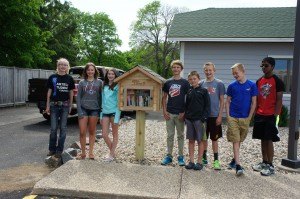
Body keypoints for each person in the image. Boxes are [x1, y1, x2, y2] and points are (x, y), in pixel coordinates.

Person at [252, 57, 285, 176]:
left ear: (272, 67)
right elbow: (257, 98)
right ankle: (264, 162)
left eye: (266, 66)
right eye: (262, 66)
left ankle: (270, 165)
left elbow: (279, 100)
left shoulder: (278, 81)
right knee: (262, 138)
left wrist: (275, 115)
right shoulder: (259, 81)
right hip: (260, 114)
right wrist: (255, 112)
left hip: (271, 115)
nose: (263, 68)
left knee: (269, 139)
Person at [226, 63, 258, 176]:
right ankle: (238, 166)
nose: (235, 75)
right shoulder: (231, 86)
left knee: (239, 140)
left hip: (245, 118)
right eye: (233, 73)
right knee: (235, 140)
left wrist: (249, 117)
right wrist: (229, 116)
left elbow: (254, 102)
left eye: (236, 73)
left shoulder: (252, 85)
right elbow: (228, 101)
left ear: (243, 71)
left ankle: (234, 159)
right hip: (233, 117)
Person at [161, 60, 190, 166]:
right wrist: (164, 111)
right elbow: (164, 98)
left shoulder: (185, 83)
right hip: (169, 112)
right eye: (174, 67)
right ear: (172, 69)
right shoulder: (167, 82)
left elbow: (188, 98)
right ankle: (169, 156)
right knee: (170, 135)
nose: (176, 69)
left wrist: (184, 112)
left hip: (180, 113)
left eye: (178, 67)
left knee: (180, 135)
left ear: (181, 69)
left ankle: (181, 157)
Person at [45, 58, 75, 158]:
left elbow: (71, 93)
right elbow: (49, 92)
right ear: (58, 66)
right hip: (54, 105)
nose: (62, 66)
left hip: (65, 106)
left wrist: (70, 105)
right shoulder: (52, 77)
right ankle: (52, 149)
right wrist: (47, 105)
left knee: (63, 128)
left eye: (65, 65)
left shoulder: (69, 78)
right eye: (61, 64)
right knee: (53, 129)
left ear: (68, 67)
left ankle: (59, 150)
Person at [200, 62, 225, 170]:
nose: (208, 72)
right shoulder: (201, 83)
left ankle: (216, 160)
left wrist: (220, 116)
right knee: (203, 138)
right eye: (206, 70)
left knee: (214, 139)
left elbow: (222, 101)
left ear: (214, 71)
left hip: (215, 116)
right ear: (204, 71)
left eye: (210, 70)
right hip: (204, 116)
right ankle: (204, 157)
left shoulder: (219, 84)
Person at [185, 71, 210, 170]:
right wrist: (186, 116)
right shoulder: (189, 90)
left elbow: (207, 106)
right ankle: (191, 161)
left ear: (198, 79)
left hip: (199, 120)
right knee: (191, 140)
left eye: (194, 78)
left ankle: (199, 162)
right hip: (189, 119)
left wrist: (203, 118)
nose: (192, 80)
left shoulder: (203, 91)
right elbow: (186, 104)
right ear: (189, 80)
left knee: (200, 140)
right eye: (190, 79)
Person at [76, 62, 102, 160]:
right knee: (82, 132)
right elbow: (78, 97)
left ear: (95, 71)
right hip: (83, 109)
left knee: (92, 131)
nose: (90, 71)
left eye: (92, 70)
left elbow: (101, 97)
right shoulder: (82, 83)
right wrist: (79, 111)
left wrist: (100, 110)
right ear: (86, 71)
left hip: (94, 110)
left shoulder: (99, 82)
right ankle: (83, 153)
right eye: (88, 70)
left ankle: (91, 152)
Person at [100, 68, 121, 162]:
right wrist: (101, 115)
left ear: (115, 75)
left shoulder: (118, 86)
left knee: (115, 134)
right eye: (109, 74)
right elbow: (102, 101)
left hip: (114, 113)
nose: (110, 75)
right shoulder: (103, 85)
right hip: (105, 112)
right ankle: (113, 152)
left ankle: (111, 155)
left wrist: (117, 116)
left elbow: (119, 102)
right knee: (104, 134)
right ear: (106, 75)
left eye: (112, 74)